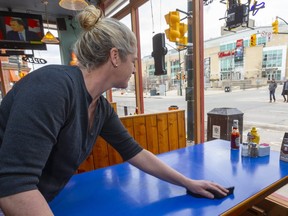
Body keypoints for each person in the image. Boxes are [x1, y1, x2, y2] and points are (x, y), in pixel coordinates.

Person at [0, 5, 228, 215]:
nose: (136, 70)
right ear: (115, 56)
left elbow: (136, 153)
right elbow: (14, 187)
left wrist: (188, 183)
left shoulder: (99, 107)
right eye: (134, 61)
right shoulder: (52, 87)